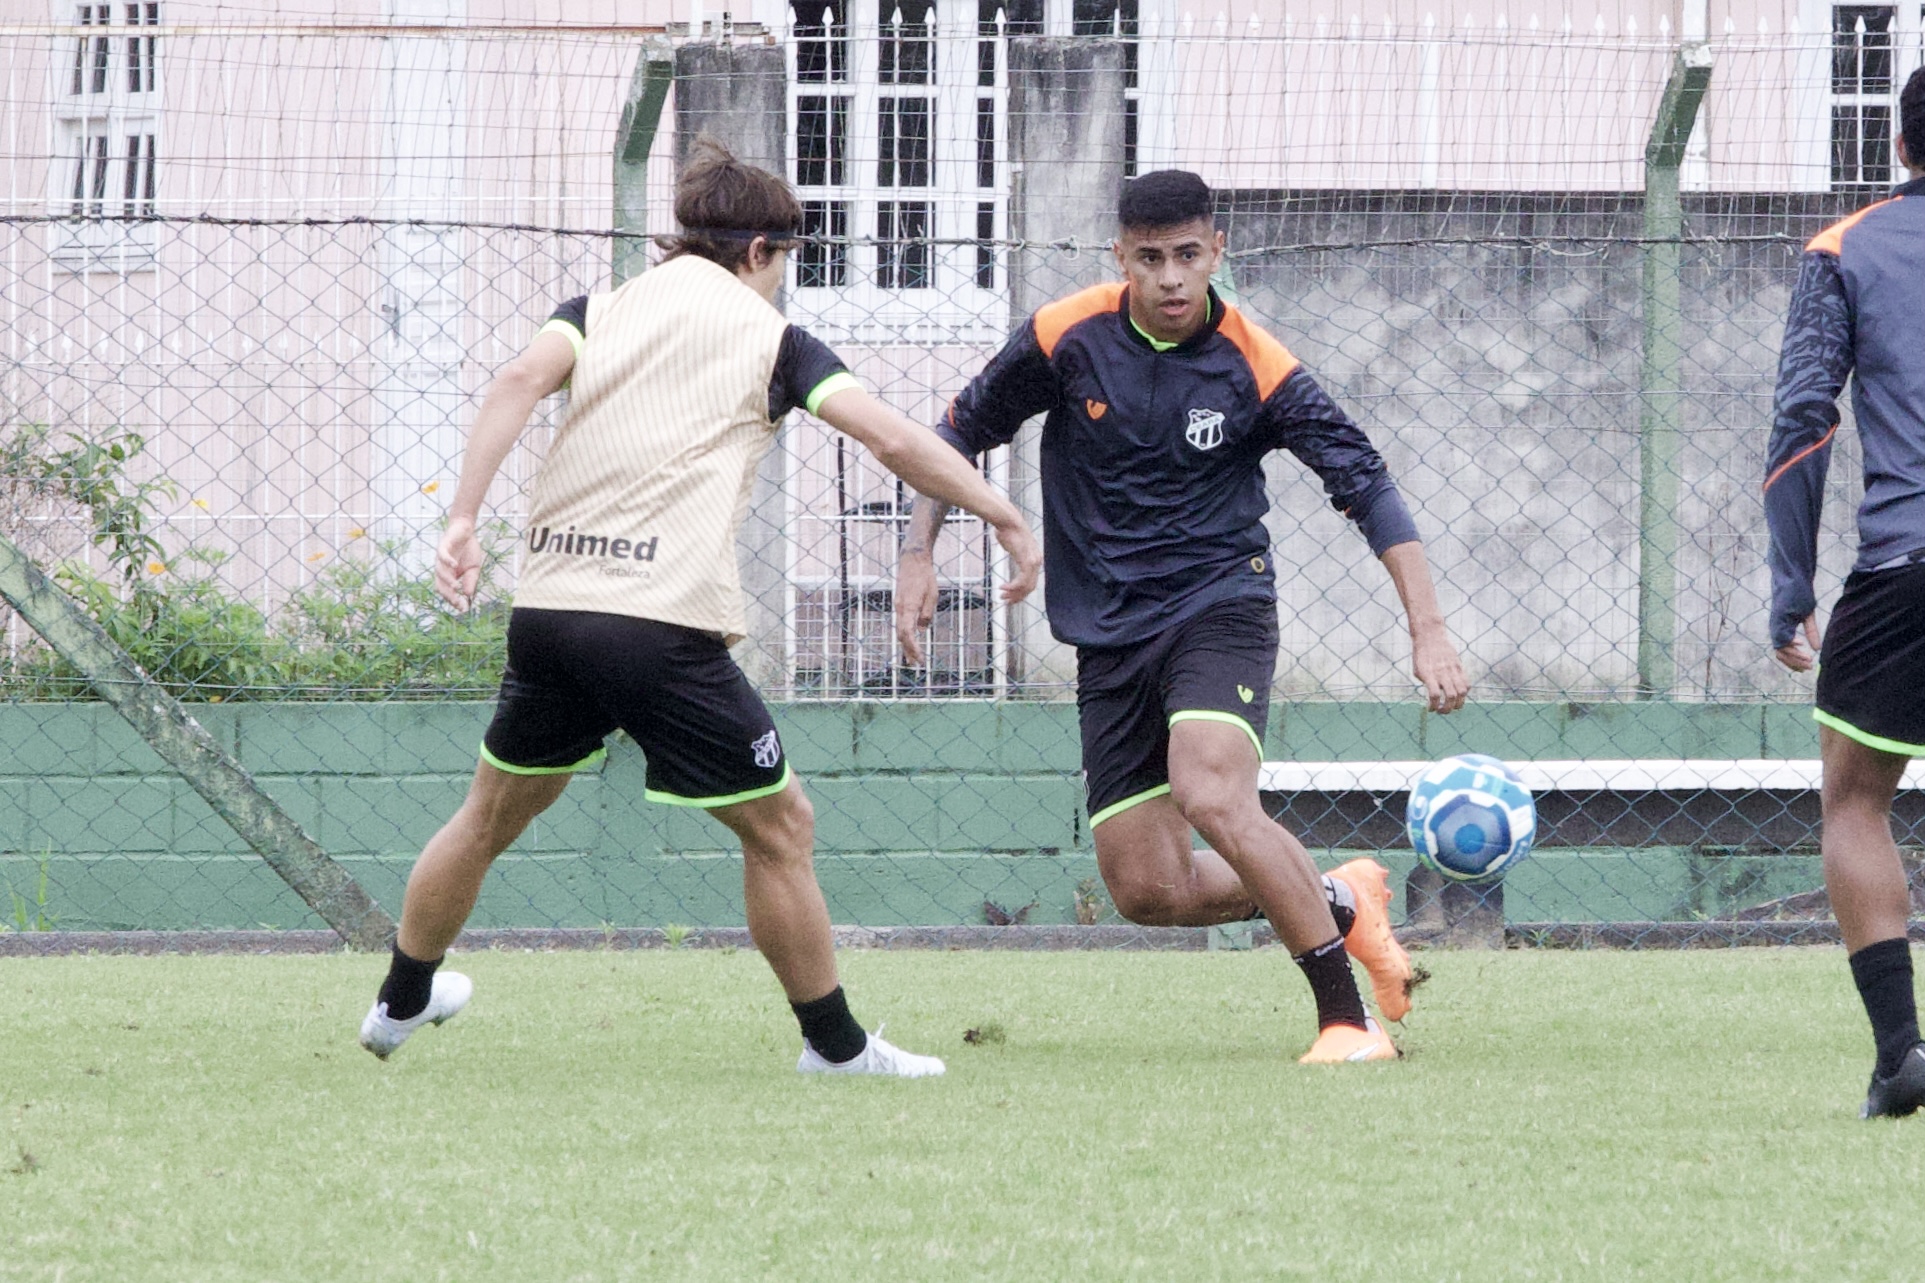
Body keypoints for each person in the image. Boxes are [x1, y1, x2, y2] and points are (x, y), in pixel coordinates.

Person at [358, 137, 1043, 1077]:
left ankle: (400, 1001)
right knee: (781, 826)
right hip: (655, 622)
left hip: (551, 609)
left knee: (487, 815)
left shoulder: (596, 309)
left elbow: (517, 380)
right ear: (759, 251)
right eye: (786, 261)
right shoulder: (775, 341)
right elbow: (889, 437)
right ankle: (837, 1050)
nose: (782, 280)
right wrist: (1002, 510)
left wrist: (464, 519)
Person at [895, 170, 1468, 1063]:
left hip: (1218, 606)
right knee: (1148, 890)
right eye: (1150, 258)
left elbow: (1366, 483)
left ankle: (1347, 1022)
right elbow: (957, 431)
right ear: (1120, 256)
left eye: (1187, 257)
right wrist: (918, 551)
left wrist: (1425, 625)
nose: (1169, 278)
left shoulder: (1256, 362)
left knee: (1210, 793)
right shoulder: (1065, 336)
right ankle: (1340, 900)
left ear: (1217, 253)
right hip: (1107, 631)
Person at [1766, 67, 1925, 1119]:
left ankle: (1899, 1051)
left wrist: (1788, 583)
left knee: (1854, 796)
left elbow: (1801, 419)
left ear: (1900, 146)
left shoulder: (1843, 249)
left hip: (1902, 567)